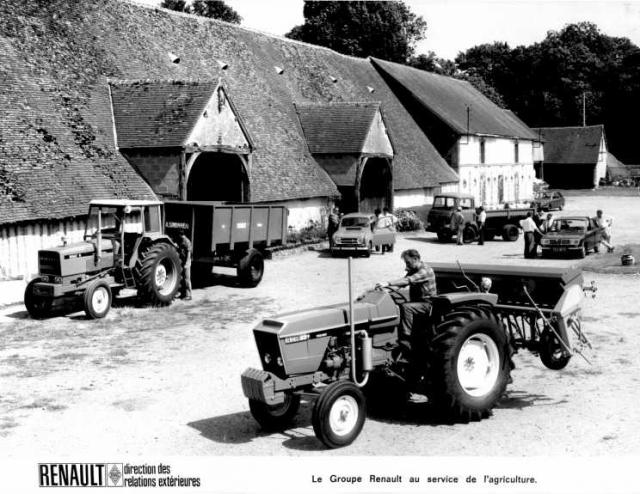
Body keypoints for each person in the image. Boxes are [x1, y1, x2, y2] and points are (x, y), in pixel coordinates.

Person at [376, 249, 437, 403]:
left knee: (406, 307)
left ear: (416, 259)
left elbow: (408, 281)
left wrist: (388, 282)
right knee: (397, 301)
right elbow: (402, 283)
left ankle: (406, 336)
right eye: (405, 263)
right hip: (418, 302)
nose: (407, 265)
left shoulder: (425, 270)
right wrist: (384, 290)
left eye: (408, 262)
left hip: (428, 304)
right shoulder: (414, 269)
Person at [177, 230, 193, 300]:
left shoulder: (187, 241)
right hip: (183, 261)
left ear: (181, 235)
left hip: (187, 262)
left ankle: (189, 295)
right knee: (183, 278)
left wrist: (187, 263)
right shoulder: (182, 241)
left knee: (187, 279)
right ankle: (183, 294)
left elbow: (189, 252)